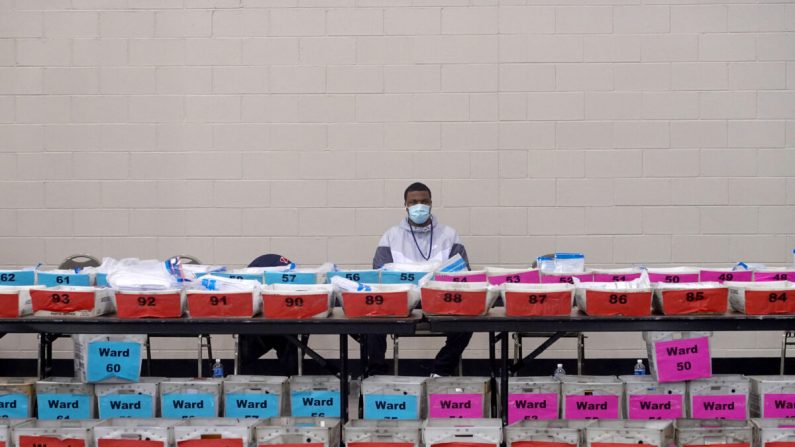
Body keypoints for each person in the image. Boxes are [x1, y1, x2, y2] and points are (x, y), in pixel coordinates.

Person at [368, 182, 472, 376]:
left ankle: (441, 370)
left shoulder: (449, 235)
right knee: (372, 322)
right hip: (401, 301)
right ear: (405, 205)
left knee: (468, 322)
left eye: (424, 201)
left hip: (439, 300)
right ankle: (377, 375)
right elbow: (380, 275)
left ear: (431, 203)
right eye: (413, 202)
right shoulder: (391, 236)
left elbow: (463, 273)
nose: (419, 206)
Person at [238, 253, 303, 375]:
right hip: (261, 326)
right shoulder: (254, 280)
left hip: (286, 325)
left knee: (293, 343)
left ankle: (293, 379)